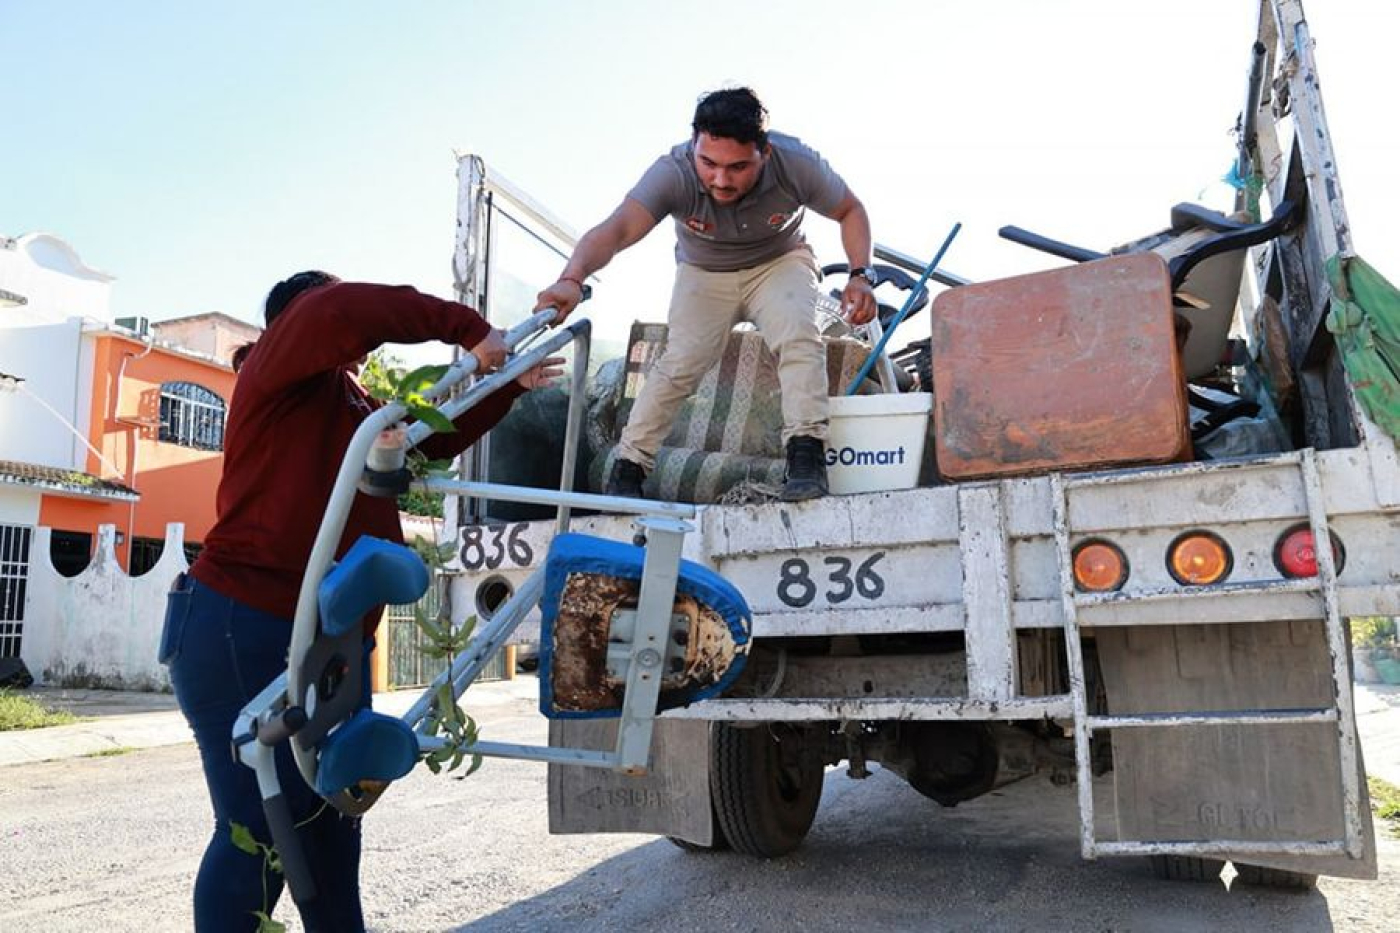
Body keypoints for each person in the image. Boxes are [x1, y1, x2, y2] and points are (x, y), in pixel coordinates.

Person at [160, 271, 560, 932]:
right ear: (296, 322)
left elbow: (424, 441)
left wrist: (504, 389)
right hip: (243, 624)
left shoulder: (352, 402)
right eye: (324, 319)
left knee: (331, 830)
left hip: (327, 642)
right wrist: (467, 328)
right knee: (261, 829)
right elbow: (341, 307)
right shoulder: (276, 373)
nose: (355, 338)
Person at [534, 86, 879, 502]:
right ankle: (628, 469)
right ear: (694, 145)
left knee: (797, 334)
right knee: (681, 360)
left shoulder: (797, 163)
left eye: (737, 167)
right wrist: (572, 277)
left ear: (764, 154)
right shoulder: (672, 172)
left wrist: (860, 275)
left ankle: (805, 457)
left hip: (779, 262)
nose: (720, 179)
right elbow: (619, 227)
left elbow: (850, 210)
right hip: (703, 271)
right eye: (709, 163)